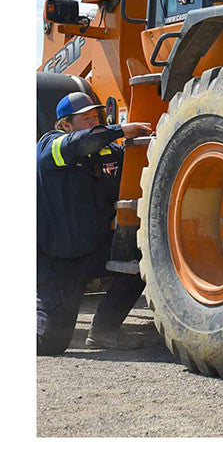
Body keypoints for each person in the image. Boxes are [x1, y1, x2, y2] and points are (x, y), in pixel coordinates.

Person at [37, 91, 153, 355]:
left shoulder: (108, 152)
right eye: (85, 118)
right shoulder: (51, 146)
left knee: (140, 259)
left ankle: (104, 331)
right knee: (49, 343)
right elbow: (78, 144)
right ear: (65, 125)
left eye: (95, 116)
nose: (93, 122)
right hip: (58, 259)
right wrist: (120, 129)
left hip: (95, 248)